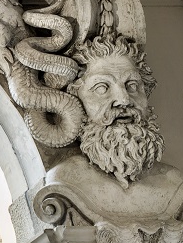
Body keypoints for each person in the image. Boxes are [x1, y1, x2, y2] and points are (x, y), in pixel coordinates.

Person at [66, 35, 164, 187]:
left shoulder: (174, 183)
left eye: (132, 85)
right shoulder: (66, 182)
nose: (124, 100)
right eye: (102, 88)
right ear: (75, 98)